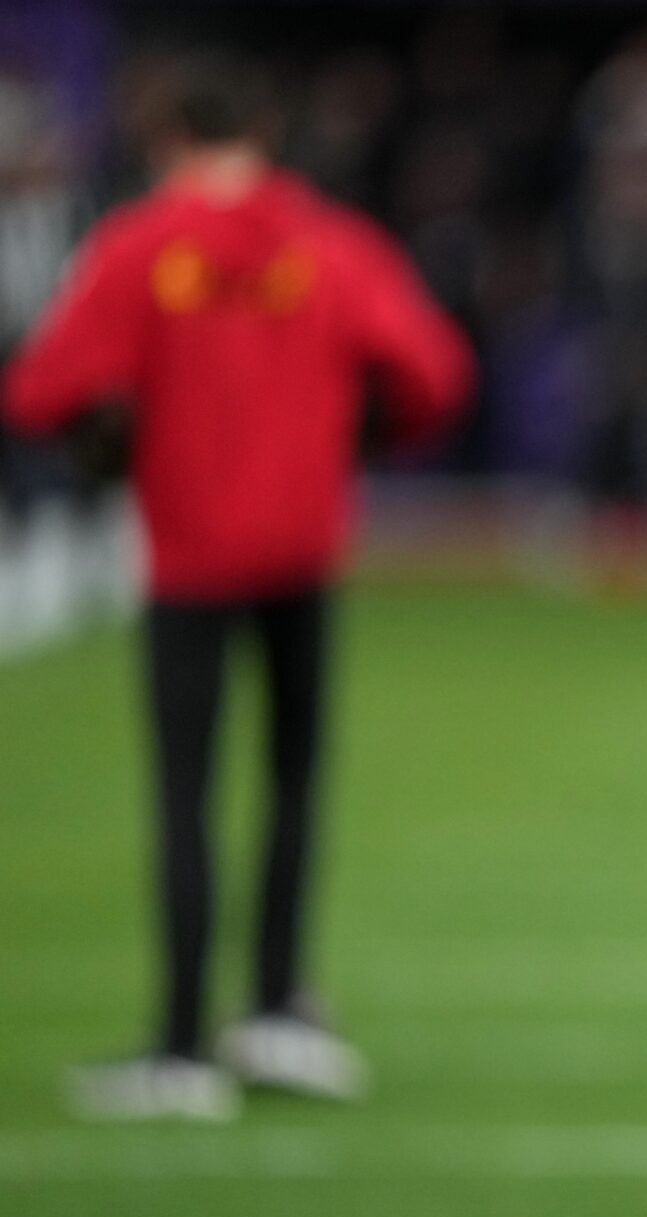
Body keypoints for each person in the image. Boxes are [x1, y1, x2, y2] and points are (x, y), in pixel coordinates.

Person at [1, 66, 474, 1120]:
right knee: (294, 778)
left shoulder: (135, 245)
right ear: (264, 126)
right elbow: (435, 373)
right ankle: (277, 1014)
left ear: (166, 133)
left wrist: (112, 433)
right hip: (303, 546)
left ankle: (178, 1043)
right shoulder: (329, 243)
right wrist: (361, 434)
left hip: (187, 553)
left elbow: (38, 389)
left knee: (187, 791)